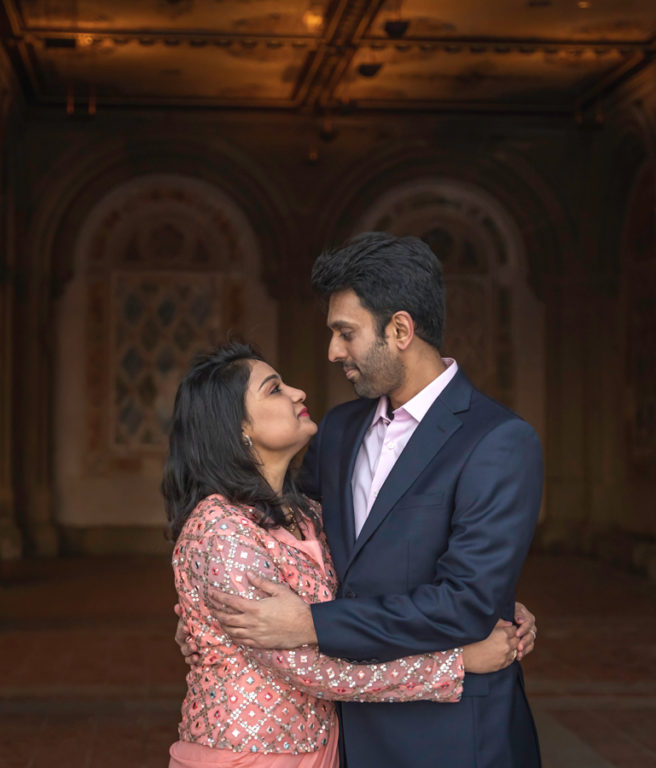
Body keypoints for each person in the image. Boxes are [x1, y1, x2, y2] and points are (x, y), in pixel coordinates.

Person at [205, 233, 544, 767]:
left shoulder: (499, 440)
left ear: (401, 330)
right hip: (348, 733)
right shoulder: (338, 430)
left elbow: (465, 604)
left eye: (346, 333)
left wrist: (311, 624)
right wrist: (209, 613)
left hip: (454, 736)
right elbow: (296, 548)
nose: (333, 352)